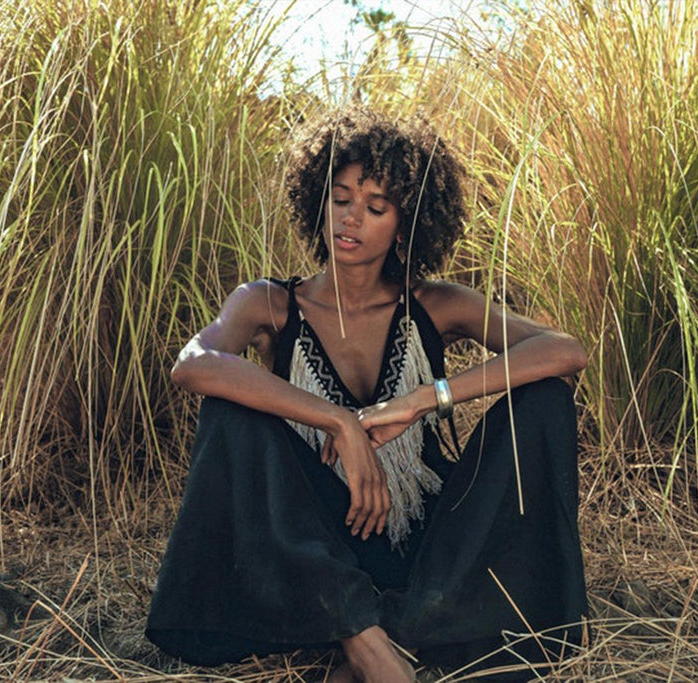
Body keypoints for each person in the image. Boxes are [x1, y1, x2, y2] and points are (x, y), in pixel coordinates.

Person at [146, 106, 589, 682]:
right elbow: (194, 364)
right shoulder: (269, 304)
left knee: (544, 400)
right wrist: (340, 422)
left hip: (423, 544)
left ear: (404, 225)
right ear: (319, 203)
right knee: (231, 410)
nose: (351, 218)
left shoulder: (435, 304)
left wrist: (423, 398)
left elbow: (564, 350)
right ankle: (361, 635)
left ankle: (400, 623)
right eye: (340, 199)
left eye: (376, 207)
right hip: (311, 544)